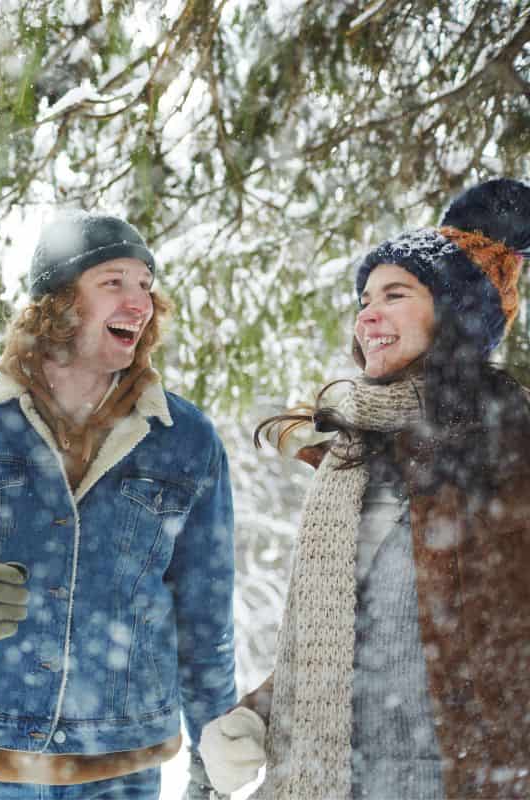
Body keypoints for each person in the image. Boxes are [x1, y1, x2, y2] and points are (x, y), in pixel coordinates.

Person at [0, 211, 237, 799]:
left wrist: (213, 747)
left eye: (145, 285)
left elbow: (203, 611)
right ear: (59, 300)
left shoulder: (185, 438)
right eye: (114, 282)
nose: (138, 301)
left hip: (119, 773)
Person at [199, 178, 530, 799]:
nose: (366, 314)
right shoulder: (351, 460)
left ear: (456, 312)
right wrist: (259, 715)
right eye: (363, 299)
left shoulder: (513, 451)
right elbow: (350, 643)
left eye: (394, 294)